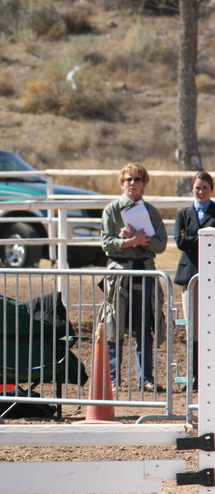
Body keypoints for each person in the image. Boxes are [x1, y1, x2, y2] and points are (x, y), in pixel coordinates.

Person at [99, 162, 168, 392]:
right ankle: (113, 380)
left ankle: (145, 379)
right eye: (128, 179)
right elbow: (106, 243)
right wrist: (129, 242)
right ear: (122, 183)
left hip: (144, 271)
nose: (132, 183)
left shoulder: (151, 212)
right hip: (119, 273)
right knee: (114, 325)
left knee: (144, 326)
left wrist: (143, 240)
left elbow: (161, 244)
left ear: (144, 184)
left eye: (137, 179)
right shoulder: (111, 210)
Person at [173, 170, 214, 390]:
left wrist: (190, 238)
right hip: (190, 274)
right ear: (192, 189)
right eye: (197, 187)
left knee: (210, 326)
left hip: (212, 273)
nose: (201, 191)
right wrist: (203, 237)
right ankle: (192, 376)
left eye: (205, 187)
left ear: (211, 189)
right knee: (193, 328)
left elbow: (186, 239)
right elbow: (178, 242)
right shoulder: (183, 213)